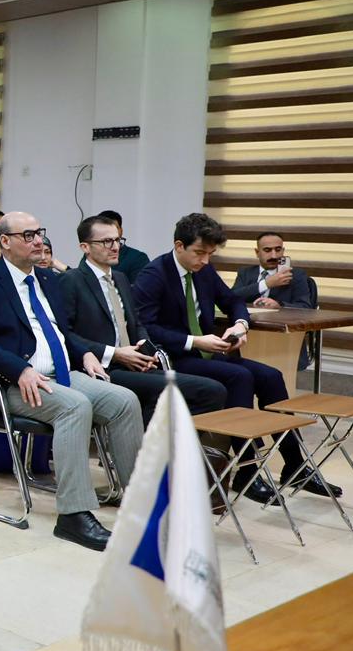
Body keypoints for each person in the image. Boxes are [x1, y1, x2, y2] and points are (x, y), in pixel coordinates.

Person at [0, 211, 144, 551]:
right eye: (28, 235)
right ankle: (73, 515)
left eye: (39, 233)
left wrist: (84, 352)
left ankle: (140, 503)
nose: (38, 241)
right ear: (5, 242)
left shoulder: (47, 280)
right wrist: (19, 369)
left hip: (62, 374)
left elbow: (62, 331)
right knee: (75, 407)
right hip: (11, 383)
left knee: (124, 400)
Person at [132, 213, 338, 502]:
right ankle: (246, 471)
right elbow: (145, 327)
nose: (205, 260)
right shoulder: (154, 275)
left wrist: (240, 324)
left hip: (208, 351)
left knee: (271, 376)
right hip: (175, 355)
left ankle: (295, 464)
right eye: (199, 253)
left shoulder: (203, 270)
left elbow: (232, 301)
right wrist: (194, 340)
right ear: (179, 246)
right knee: (239, 376)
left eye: (210, 254)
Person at [58, 216, 226, 425]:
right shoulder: (71, 280)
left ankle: (149, 442)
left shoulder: (120, 278)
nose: (115, 247)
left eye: (118, 240)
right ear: (85, 247)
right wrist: (115, 353)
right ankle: (150, 443)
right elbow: (65, 334)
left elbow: (137, 323)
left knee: (211, 390)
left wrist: (147, 348)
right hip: (103, 367)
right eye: (106, 242)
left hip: (134, 364)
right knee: (207, 391)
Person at [232, 232, 314, 310]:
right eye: (267, 250)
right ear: (257, 252)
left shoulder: (296, 275)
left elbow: (305, 307)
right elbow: (231, 297)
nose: (274, 256)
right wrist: (266, 284)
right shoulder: (245, 273)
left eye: (278, 250)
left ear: (283, 251)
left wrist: (279, 305)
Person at [93, 210, 149, 280]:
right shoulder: (91, 255)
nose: (110, 233)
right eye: (104, 229)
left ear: (121, 230)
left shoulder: (138, 258)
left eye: (114, 228)